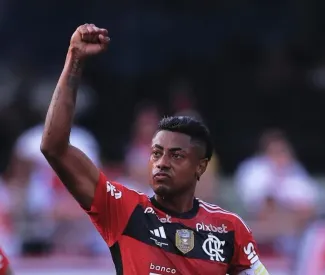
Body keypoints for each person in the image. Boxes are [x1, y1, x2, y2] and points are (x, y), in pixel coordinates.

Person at [40, 23, 269, 275]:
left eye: (176, 155)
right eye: (156, 153)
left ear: (200, 166)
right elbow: (54, 147)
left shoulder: (229, 228)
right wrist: (74, 60)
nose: (162, 162)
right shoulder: (124, 210)